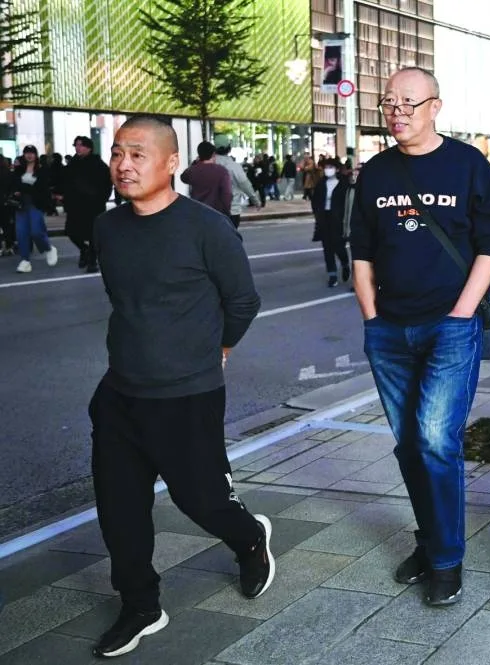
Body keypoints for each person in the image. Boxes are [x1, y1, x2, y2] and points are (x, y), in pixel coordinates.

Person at [88, 116, 273, 658]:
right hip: (120, 394)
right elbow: (127, 301)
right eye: (118, 152)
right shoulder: (109, 228)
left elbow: (243, 302)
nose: (124, 164)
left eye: (138, 154)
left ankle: (249, 538)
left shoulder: (208, 229)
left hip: (188, 396)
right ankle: (141, 606)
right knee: (119, 510)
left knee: (203, 501)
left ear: (172, 163)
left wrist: (214, 351)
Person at [350, 67, 490, 607]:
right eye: (388, 103)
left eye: (407, 103)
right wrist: (371, 318)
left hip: (449, 326)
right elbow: (362, 253)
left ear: (435, 106)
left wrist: (463, 314)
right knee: (410, 446)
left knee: (438, 441)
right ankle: (431, 539)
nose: (396, 112)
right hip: (389, 330)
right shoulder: (374, 173)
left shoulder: (467, 165)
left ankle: (446, 560)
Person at [61, 135, 112, 272]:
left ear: (88, 148)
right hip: (75, 205)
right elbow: (66, 182)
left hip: (93, 205)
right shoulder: (73, 164)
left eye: (81, 145)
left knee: (92, 234)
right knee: (71, 231)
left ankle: (92, 261)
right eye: (76, 145)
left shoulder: (98, 164)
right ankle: (84, 250)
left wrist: (101, 198)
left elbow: (107, 184)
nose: (78, 148)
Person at [9, 145, 58, 273]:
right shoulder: (19, 169)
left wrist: (24, 188)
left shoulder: (42, 169)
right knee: (21, 233)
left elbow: (41, 188)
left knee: (36, 231)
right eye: (27, 153)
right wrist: (20, 190)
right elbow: (14, 184)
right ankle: (25, 260)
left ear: (36, 155)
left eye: (31, 153)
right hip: (21, 205)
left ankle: (48, 248)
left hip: (36, 204)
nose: (29, 155)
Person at [311, 158, 351, 287]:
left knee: (339, 245)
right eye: (326, 167)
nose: (327, 170)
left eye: (330, 167)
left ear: (337, 169)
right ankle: (332, 275)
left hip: (339, 219)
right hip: (324, 218)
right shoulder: (321, 183)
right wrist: (317, 213)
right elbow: (315, 200)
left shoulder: (344, 184)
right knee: (327, 247)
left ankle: (345, 264)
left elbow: (348, 202)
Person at [180, 141, 232, 216]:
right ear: (213, 154)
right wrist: (227, 210)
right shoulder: (222, 171)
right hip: (217, 213)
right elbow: (227, 193)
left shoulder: (193, 171)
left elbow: (183, 177)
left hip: (198, 213)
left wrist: (195, 162)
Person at [215, 145, 260, 228]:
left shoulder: (207, 165)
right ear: (229, 150)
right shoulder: (234, 166)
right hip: (232, 209)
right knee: (231, 238)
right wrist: (255, 201)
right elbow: (245, 184)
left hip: (211, 209)